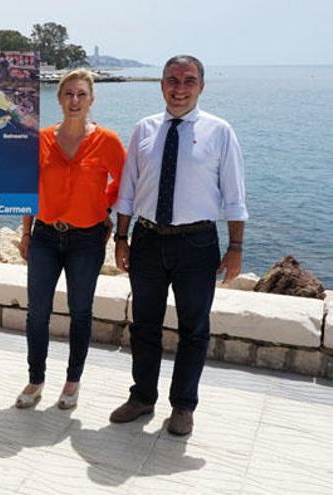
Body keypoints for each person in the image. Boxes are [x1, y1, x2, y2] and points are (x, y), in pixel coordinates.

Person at [110, 55, 247, 436]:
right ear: (162, 84)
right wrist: (122, 237)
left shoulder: (220, 132)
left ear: (201, 86)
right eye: (172, 79)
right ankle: (142, 397)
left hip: (197, 244)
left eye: (189, 81)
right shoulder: (145, 129)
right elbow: (128, 190)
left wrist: (235, 247)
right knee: (144, 325)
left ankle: (183, 406)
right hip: (148, 240)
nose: (180, 88)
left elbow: (234, 196)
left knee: (194, 329)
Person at [15, 69, 125, 410]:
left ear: (91, 99)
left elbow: (126, 185)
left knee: (80, 311)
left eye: (81, 95)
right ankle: (36, 379)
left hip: (87, 241)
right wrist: (26, 233)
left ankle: (72, 381)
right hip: (46, 236)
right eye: (68, 94)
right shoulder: (42, 139)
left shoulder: (107, 141)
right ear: (59, 98)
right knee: (38, 313)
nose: (74, 101)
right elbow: (28, 189)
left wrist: (103, 208)